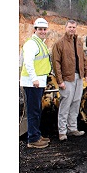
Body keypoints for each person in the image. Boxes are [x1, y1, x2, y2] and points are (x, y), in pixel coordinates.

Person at [52, 19, 87, 141]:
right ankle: (62, 132)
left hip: (78, 78)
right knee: (65, 104)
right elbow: (56, 63)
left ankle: (72, 128)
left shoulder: (78, 42)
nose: (72, 29)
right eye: (70, 27)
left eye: (74, 27)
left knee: (75, 103)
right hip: (67, 78)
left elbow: (84, 59)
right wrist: (60, 81)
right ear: (65, 28)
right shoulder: (59, 44)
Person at [20, 18, 52, 148]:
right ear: (35, 30)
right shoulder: (32, 44)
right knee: (33, 111)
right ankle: (33, 139)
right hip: (32, 83)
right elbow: (28, 63)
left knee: (37, 110)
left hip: (38, 82)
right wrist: (34, 79)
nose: (43, 31)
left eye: (44, 29)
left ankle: (36, 134)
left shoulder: (40, 43)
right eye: (40, 29)